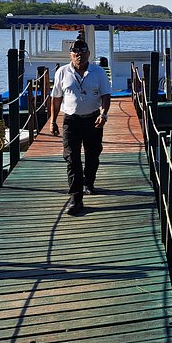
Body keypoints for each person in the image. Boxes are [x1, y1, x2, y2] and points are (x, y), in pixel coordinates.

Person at [50, 39, 111, 215]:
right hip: (71, 121)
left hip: (93, 120)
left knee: (93, 154)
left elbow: (106, 95)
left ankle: (89, 181)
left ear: (88, 54)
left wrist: (103, 114)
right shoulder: (62, 72)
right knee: (72, 158)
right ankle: (76, 199)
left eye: (83, 51)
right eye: (75, 52)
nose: (79, 55)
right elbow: (56, 98)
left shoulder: (98, 72)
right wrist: (53, 121)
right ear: (71, 54)